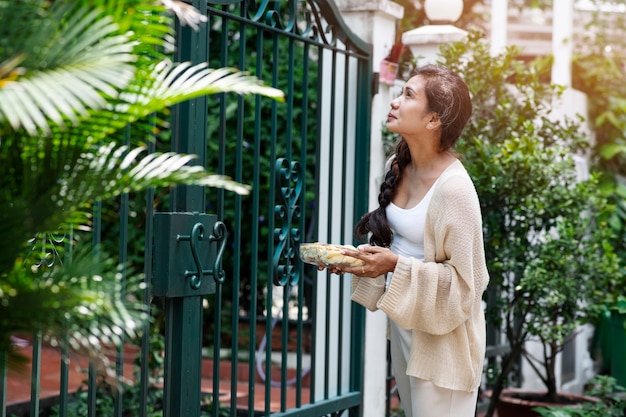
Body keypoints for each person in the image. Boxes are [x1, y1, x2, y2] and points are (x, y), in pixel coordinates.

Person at [325, 64, 489, 417]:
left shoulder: (455, 189)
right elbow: (399, 247)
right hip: (406, 324)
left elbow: (467, 286)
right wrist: (360, 260)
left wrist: (394, 266)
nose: (395, 101)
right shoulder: (398, 165)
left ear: (433, 120)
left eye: (409, 95)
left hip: (445, 342)